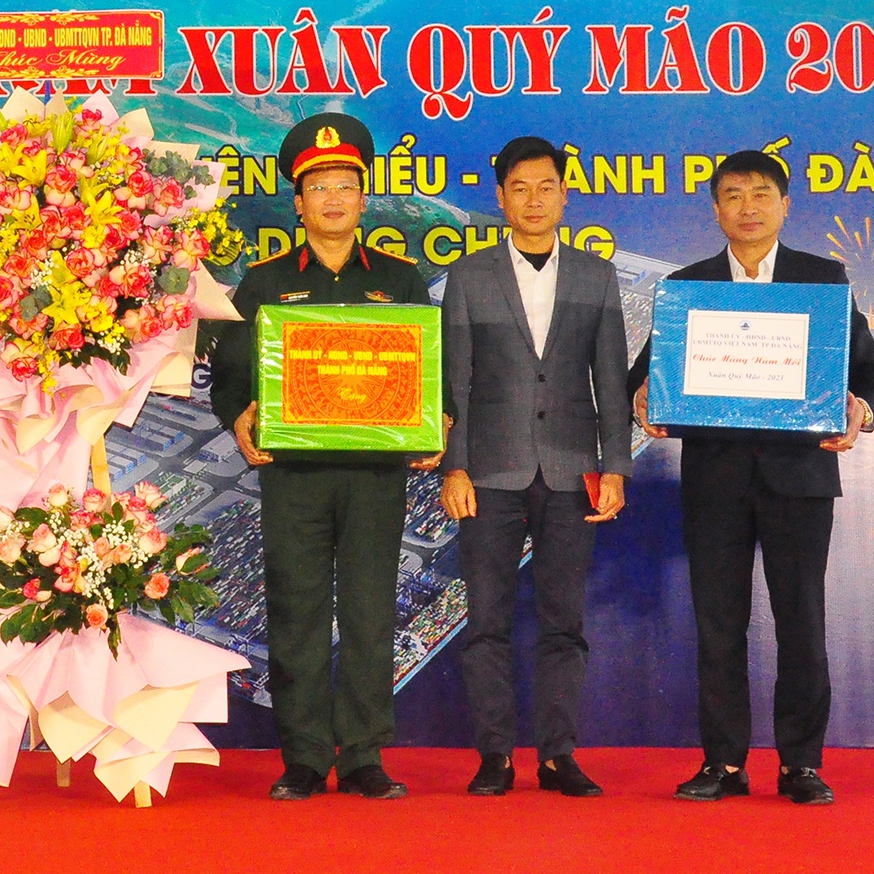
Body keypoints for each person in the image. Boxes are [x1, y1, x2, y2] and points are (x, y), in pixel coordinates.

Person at [628, 150, 874, 806]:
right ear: (716, 208)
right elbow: (645, 372)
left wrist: (863, 407)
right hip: (714, 479)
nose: (747, 206)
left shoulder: (822, 278)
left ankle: (801, 763)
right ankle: (723, 763)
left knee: (802, 621)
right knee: (718, 624)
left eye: (761, 193)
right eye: (733, 195)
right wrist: (640, 396)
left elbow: (866, 368)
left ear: (785, 204)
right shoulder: (688, 285)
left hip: (800, 477)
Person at [208, 113, 436, 801]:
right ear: (299, 202)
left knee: (370, 611)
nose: (334, 198)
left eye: (346, 185)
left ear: (364, 198)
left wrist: (436, 419)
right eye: (319, 187)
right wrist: (238, 418)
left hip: (375, 474)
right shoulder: (265, 282)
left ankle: (365, 754)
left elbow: (429, 371)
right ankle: (304, 755)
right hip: (295, 476)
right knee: (296, 611)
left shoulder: (400, 280)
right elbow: (230, 378)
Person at [438, 136, 632, 798]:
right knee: (485, 619)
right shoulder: (469, 274)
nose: (533, 199)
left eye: (546, 186)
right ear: (500, 197)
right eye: (519, 188)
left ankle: (557, 755)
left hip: (573, 466)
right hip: (487, 471)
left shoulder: (595, 274)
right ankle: (494, 756)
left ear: (565, 194)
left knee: (564, 621)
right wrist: (453, 468)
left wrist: (616, 467)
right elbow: (453, 382)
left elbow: (610, 379)